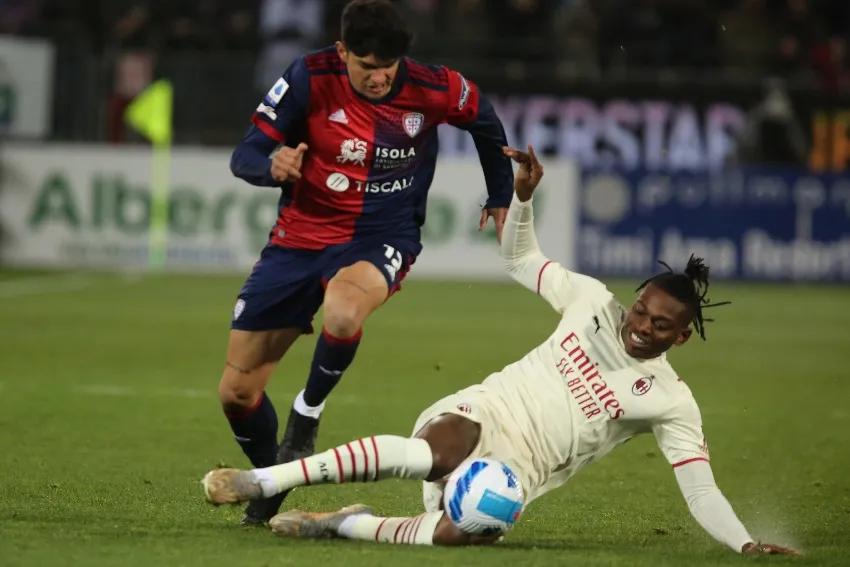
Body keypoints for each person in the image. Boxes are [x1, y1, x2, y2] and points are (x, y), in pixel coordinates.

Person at [202, 144, 799, 555]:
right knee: (436, 454)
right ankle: (265, 479)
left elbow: (699, 488)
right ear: (634, 298)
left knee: (467, 535)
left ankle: (345, 525)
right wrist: (523, 198)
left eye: (661, 325)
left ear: (681, 336)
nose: (641, 325)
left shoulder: (670, 401)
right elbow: (519, 258)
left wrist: (744, 542)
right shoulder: (591, 301)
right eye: (642, 309)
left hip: (513, 475)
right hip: (477, 415)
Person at [220, 0, 514, 525]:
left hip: (382, 235)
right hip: (299, 239)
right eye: (366, 66)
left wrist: (500, 193)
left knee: (343, 312)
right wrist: (272, 166)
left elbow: (486, 123)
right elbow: (245, 153)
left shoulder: (436, 86)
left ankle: (307, 415)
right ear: (342, 51)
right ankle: (276, 482)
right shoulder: (309, 77)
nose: (378, 78)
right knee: (237, 393)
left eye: (387, 67)